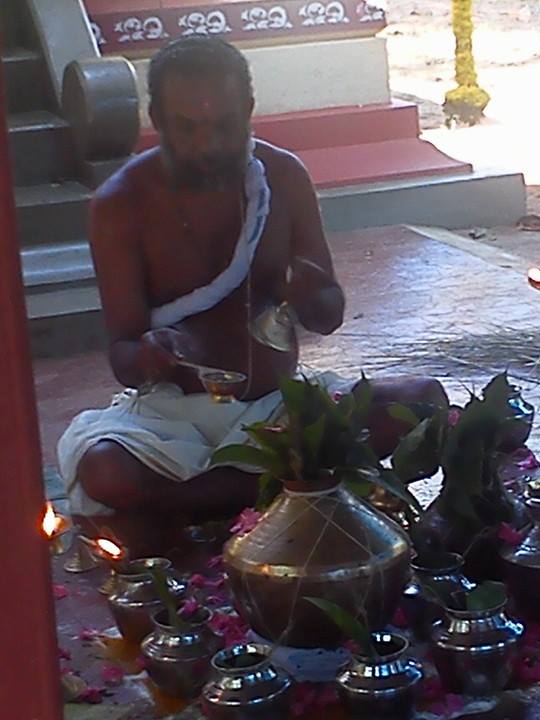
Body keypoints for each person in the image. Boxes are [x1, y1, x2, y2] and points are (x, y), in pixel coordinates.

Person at [58, 37, 445, 554]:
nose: (208, 145)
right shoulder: (121, 204)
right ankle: (292, 486)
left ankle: (198, 504)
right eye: (188, 128)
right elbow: (124, 358)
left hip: (279, 409)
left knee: (421, 402)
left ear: (249, 111)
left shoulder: (283, 177)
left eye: (225, 126)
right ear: (157, 119)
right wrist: (152, 354)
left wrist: (308, 291)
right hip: (174, 424)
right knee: (104, 468)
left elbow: (328, 314)